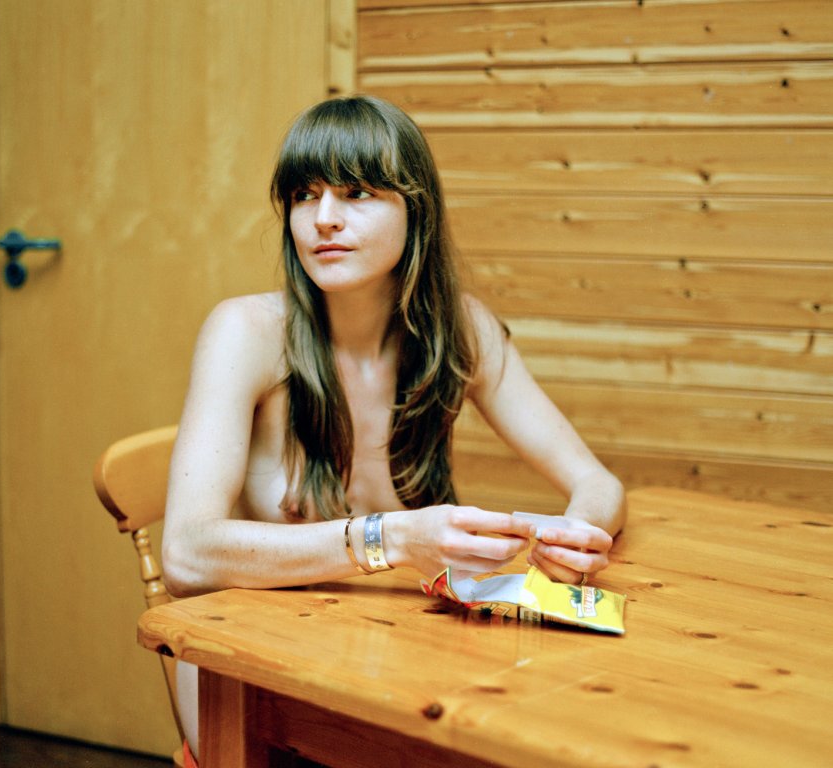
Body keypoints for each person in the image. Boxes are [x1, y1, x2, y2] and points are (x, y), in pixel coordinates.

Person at [162, 94, 626, 764]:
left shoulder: (460, 330)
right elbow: (185, 553)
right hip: (252, 667)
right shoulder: (247, 333)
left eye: (356, 192)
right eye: (303, 194)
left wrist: (573, 537)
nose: (323, 219)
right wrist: (393, 538)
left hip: (390, 650)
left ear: (417, 211)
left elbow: (595, 481)